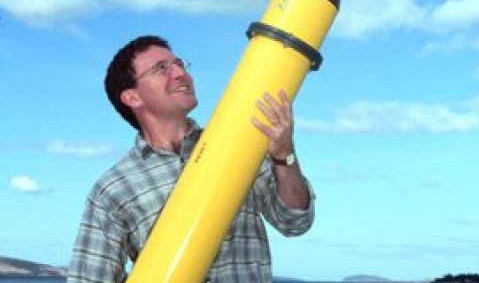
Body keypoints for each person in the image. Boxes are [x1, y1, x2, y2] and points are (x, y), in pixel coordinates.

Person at [66, 35, 315, 283]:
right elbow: (88, 278)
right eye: (161, 68)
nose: (179, 73)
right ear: (133, 98)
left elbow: (294, 222)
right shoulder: (113, 189)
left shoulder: (236, 145)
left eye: (179, 64)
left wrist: (284, 156)